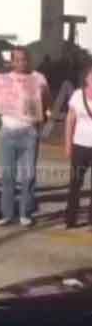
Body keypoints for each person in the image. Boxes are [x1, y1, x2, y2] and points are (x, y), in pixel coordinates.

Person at [0, 47, 51, 227]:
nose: (21, 63)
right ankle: (7, 213)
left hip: (29, 133)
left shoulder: (38, 78)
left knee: (28, 176)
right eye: (17, 59)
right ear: (11, 61)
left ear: (29, 60)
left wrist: (44, 119)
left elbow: (47, 101)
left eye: (24, 59)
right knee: (7, 176)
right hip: (7, 133)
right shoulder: (2, 81)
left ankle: (25, 212)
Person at [64, 64, 92, 229]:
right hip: (80, 145)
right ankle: (70, 218)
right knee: (75, 183)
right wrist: (68, 144)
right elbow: (70, 120)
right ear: (86, 78)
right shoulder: (77, 95)